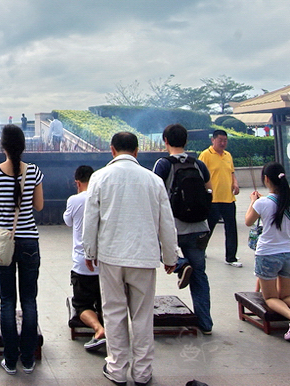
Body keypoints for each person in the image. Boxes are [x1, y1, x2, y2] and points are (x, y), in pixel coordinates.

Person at [82, 132, 178, 386]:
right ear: (136, 151)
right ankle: (142, 372)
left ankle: (116, 369)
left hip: (111, 256)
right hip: (144, 256)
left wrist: (88, 251)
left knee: (113, 312)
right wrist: (170, 256)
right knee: (143, 315)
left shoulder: (99, 177)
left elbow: (91, 219)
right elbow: (166, 222)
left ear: (112, 150)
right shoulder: (153, 180)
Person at [0, 124, 44, 374]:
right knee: (29, 300)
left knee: (7, 300)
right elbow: (39, 206)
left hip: (5, 242)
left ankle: (10, 359)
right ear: (23, 145)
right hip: (29, 241)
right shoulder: (35, 172)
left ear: (3, 146)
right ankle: (28, 358)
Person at [245, 162, 290, 341]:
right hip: (289, 253)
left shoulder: (262, 203)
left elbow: (248, 221)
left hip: (268, 254)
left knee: (270, 297)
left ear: (266, 179)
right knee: (286, 295)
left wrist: (253, 202)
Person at [152, 124, 214, 334]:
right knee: (200, 276)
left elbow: (155, 194)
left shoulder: (163, 165)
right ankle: (205, 324)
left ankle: (180, 264)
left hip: (174, 227)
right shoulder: (198, 164)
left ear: (165, 141)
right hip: (199, 227)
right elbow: (208, 191)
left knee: (160, 251)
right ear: (186, 141)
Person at [63, 165, 106, 352]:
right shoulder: (103, 197)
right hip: (104, 261)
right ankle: (111, 329)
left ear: (77, 183)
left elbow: (68, 221)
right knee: (106, 301)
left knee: (81, 305)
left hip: (82, 263)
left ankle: (98, 329)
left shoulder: (75, 200)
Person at [198, 129, 242, 267]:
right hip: (213, 199)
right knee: (208, 228)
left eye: (225, 140)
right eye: (220, 140)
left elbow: (231, 172)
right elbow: (200, 175)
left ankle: (231, 257)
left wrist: (235, 183)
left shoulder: (228, 155)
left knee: (231, 228)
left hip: (228, 198)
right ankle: (200, 250)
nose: (223, 143)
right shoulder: (205, 155)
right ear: (213, 140)